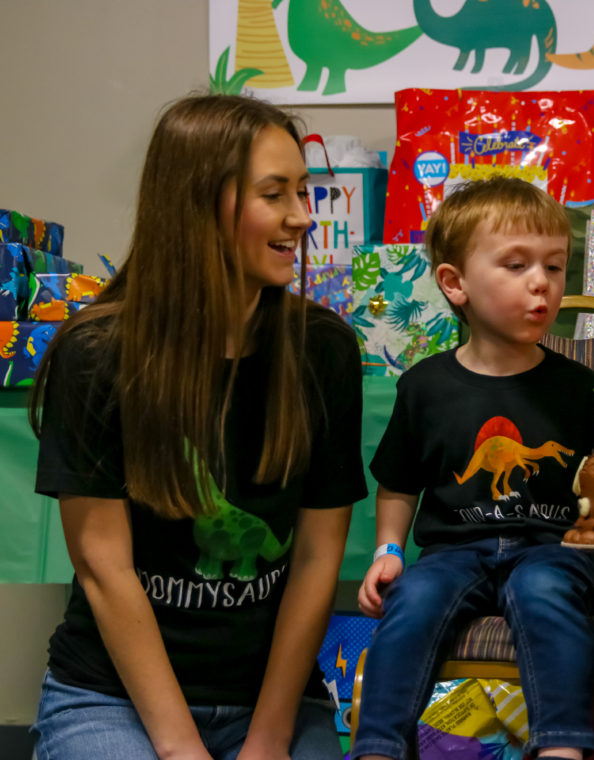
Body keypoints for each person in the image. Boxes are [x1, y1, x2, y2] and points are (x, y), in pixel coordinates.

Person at [28, 94, 366, 760]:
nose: (302, 217)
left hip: (271, 700)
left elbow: (317, 556)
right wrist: (183, 750)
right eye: (276, 194)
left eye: (304, 191)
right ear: (198, 204)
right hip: (112, 696)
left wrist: (268, 738)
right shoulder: (95, 355)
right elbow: (104, 568)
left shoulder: (323, 349)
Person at [352, 177, 594, 760]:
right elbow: (398, 483)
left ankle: (562, 746)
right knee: (413, 598)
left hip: (556, 549)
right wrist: (388, 553)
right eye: (516, 266)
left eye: (554, 266)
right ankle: (377, 746)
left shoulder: (580, 388)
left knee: (541, 586)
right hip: (451, 553)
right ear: (455, 283)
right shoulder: (424, 386)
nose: (541, 284)